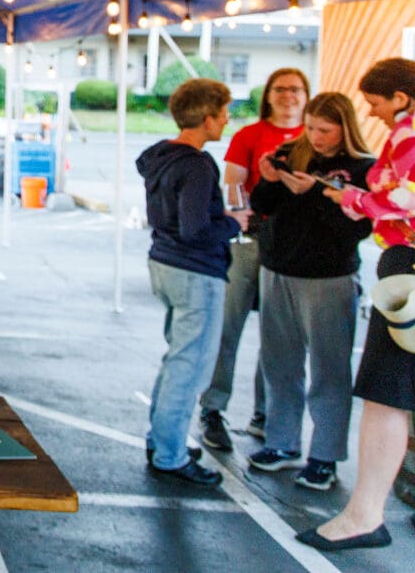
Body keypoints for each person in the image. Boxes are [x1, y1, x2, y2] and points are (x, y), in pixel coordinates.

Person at [299, 58, 415, 551]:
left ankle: (364, 514)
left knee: (386, 395)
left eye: (376, 103)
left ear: (402, 97)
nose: (372, 114)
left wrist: (357, 201)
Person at [246, 93, 373, 490]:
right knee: (279, 363)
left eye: (325, 130)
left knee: (329, 368)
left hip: (329, 277)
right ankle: (282, 442)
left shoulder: (362, 168)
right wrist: (270, 181)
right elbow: (262, 206)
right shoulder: (291, 153)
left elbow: (357, 229)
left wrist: (316, 195)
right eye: (311, 127)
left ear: (345, 128)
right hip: (278, 268)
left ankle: (325, 455)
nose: (315, 137)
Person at [136, 78, 241, 487]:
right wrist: (233, 223)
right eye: (225, 115)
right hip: (196, 271)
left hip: (163, 264)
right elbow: (195, 228)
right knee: (190, 366)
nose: (227, 122)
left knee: (176, 358)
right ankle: (170, 454)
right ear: (208, 118)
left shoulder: (160, 158)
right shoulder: (197, 164)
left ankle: (163, 438)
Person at [199, 68, 309, 452]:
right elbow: (232, 184)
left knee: (279, 338)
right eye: (280, 89)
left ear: (306, 95)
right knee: (228, 326)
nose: (288, 96)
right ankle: (213, 408)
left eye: (295, 89)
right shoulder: (251, 135)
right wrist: (241, 221)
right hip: (251, 242)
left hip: (296, 249)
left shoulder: (315, 137)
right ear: (268, 95)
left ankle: (267, 414)